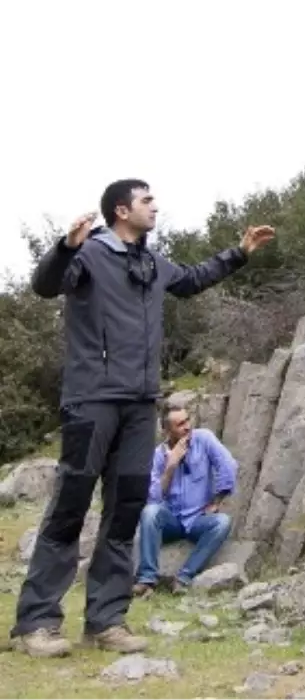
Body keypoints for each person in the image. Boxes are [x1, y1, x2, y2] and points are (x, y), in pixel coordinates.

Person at [12, 182, 273, 659]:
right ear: (121, 209)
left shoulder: (153, 264)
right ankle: (37, 624)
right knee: (70, 506)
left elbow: (192, 280)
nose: (155, 206)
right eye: (147, 200)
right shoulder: (88, 254)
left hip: (138, 404)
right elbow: (45, 286)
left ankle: (106, 622)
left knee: (126, 511)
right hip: (91, 400)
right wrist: (64, 247)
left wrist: (239, 252)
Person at [133, 405, 237, 596]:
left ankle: (183, 578)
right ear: (167, 430)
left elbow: (228, 465)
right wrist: (171, 466)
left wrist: (217, 500)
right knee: (149, 512)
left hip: (198, 519)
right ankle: (147, 580)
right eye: (180, 424)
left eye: (188, 420)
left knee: (222, 522)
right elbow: (153, 498)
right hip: (171, 520)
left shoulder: (203, 439)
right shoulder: (158, 455)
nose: (187, 427)